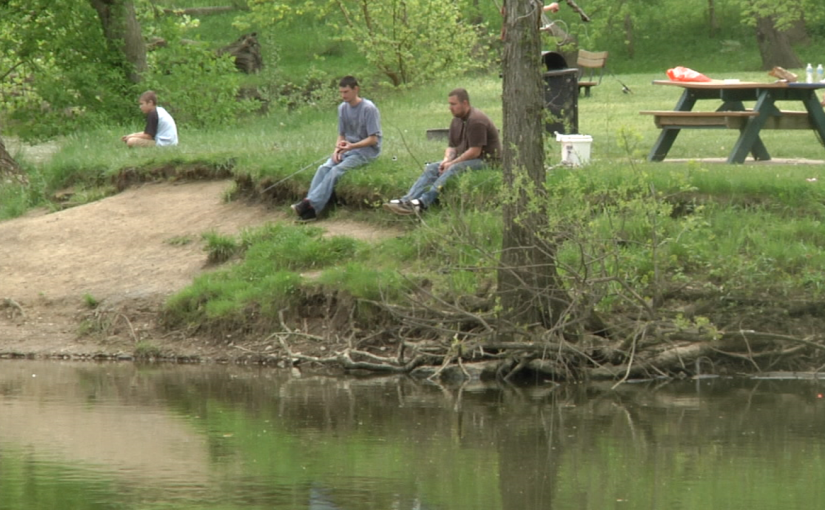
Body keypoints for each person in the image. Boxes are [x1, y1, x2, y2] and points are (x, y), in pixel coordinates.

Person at [383, 88, 501, 215]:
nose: (450, 108)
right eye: (449, 104)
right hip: (470, 158)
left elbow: (475, 151)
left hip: (487, 160)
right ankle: (407, 201)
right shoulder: (457, 120)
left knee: (454, 168)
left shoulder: (476, 120)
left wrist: (452, 163)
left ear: (465, 103)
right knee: (432, 168)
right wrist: (446, 161)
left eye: (453, 104)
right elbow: (452, 147)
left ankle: (422, 203)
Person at [292, 76, 382, 221]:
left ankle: (309, 205)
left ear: (356, 89)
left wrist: (352, 146)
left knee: (336, 171)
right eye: (341, 92)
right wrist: (337, 150)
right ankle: (309, 210)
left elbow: (373, 139)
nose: (343, 96)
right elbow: (341, 135)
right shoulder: (342, 108)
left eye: (346, 92)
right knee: (324, 168)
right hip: (348, 149)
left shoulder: (368, 109)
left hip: (366, 152)